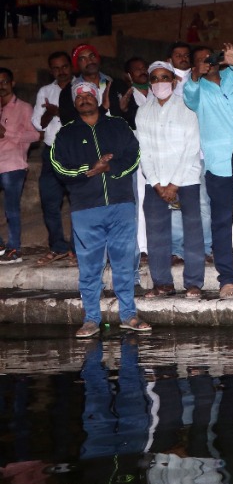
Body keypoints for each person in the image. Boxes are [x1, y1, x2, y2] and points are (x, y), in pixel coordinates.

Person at [52, 81, 147, 337]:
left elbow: (134, 155)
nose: (84, 99)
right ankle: (91, 318)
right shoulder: (66, 134)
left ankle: (128, 315)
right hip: (86, 209)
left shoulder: (117, 125)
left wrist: (110, 169)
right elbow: (58, 167)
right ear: (75, 103)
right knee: (90, 266)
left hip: (120, 205)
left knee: (123, 263)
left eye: (88, 95)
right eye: (79, 97)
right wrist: (87, 170)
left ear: (97, 99)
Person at [184, 42, 233, 297]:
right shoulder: (196, 88)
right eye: (201, 60)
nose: (208, 62)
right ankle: (226, 278)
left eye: (210, 57)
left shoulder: (231, 77)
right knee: (222, 223)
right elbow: (189, 98)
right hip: (220, 164)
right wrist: (195, 75)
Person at [136, 61, 206, 299]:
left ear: (174, 81)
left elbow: (191, 147)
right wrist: (156, 183)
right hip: (155, 182)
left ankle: (194, 283)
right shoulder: (143, 111)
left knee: (193, 231)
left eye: (164, 77)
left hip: (185, 178)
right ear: (149, 83)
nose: (159, 83)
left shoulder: (187, 107)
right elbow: (144, 151)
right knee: (156, 233)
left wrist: (173, 184)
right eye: (154, 79)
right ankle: (162, 283)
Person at [31, 51, 75, 264]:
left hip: (75, 150)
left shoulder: (80, 87)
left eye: (65, 66)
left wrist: (61, 111)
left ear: (71, 66)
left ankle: (77, 248)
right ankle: (58, 246)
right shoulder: (45, 91)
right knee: (50, 201)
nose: (61, 71)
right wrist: (51, 112)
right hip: (51, 151)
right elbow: (38, 124)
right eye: (56, 68)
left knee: (77, 200)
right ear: (51, 70)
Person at [0, 68, 39, 263]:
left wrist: (6, 133)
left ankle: (14, 249)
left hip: (13, 164)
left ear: (12, 83)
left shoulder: (23, 107)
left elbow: (35, 135)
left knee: (11, 208)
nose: (1, 86)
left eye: (4, 81)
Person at [57, 43, 112, 124]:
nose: (89, 61)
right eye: (82, 59)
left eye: (92, 56)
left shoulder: (115, 84)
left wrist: (125, 110)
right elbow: (68, 122)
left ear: (98, 59)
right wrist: (102, 108)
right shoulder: (68, 92)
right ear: (77, 65)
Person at [107, 57, 148, 127]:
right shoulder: (125, 93)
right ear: (128, 75)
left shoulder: (156, 89)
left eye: (144, 68)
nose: (142, 71)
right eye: (137, 69)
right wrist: (126, 110)